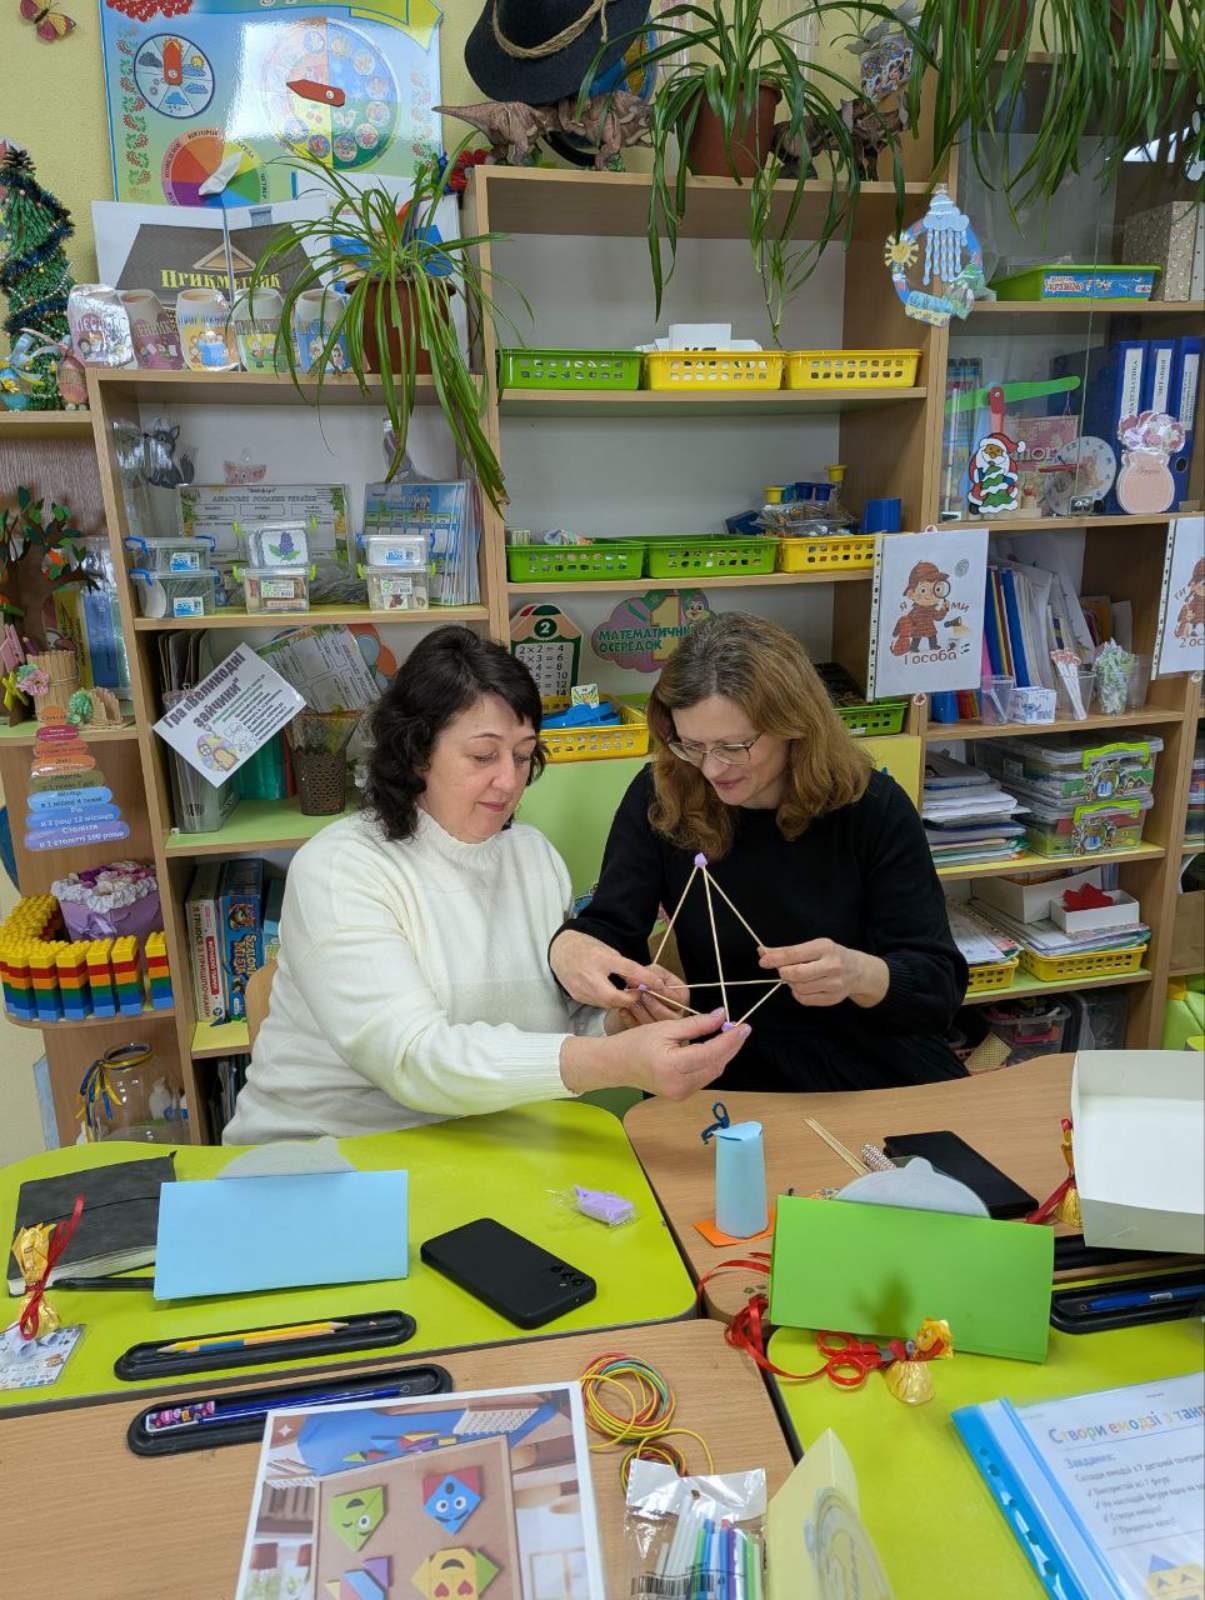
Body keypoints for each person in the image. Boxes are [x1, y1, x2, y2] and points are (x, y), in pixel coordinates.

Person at [224, 626, 747, 1142]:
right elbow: (411, 1058)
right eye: (482, 756)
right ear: (416, 752)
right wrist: (610, 1061)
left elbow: (555, 1029)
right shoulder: (341, 868)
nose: (509, 781)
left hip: (493, 1145)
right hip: (334, 1153)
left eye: (522, 755)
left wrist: (621, 1022)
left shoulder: (532, 856)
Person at [550, 613, 969, 1093]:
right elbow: (611, 928)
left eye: (734, 746)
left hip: (871, 1064)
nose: (712, 768)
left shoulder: (871, 807)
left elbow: (939, 989)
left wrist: (861, 974)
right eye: (691, 745)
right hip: (725, 1066)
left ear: (794, 725)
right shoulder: (662, 797)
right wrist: (571, 947)